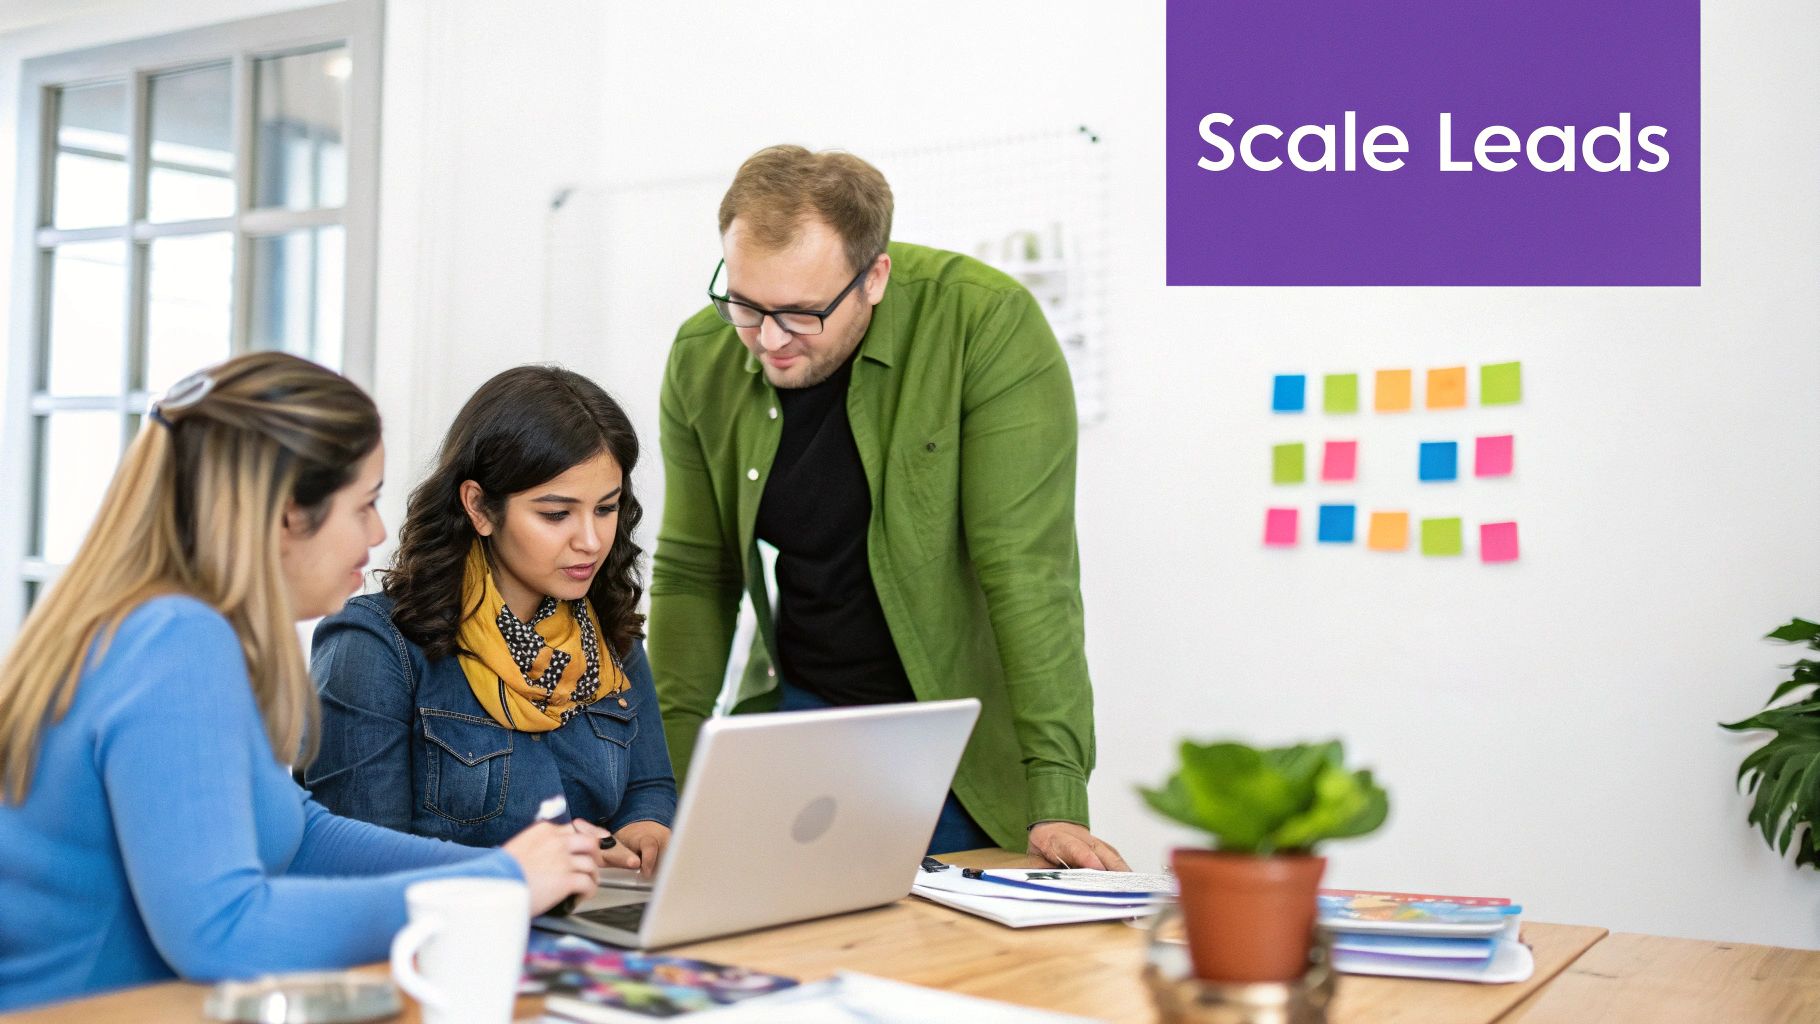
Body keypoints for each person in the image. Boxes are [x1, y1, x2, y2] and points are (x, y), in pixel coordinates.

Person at [0, 353, 599, 1012]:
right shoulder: (178, 642)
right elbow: (222, 931)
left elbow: (298, 835)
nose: (376, 534)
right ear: (289, 514)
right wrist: (502, 880)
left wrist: (494, 870)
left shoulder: (163, 624)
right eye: (365, 504)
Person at [649, 144, 1127, 869]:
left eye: (802, 314)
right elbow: (693, 574)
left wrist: (1057, 796)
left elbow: (1027, 572)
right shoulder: (702, 356)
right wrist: (664, 795)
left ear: (874, 278)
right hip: (801, 716)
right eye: (745, 304)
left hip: (952, 739)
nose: (768, 340)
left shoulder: (983, 325)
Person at [305, 365, 674, 877]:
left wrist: (647, 828)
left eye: (606, 508)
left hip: (593, 925)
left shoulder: (611, 633)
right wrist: (533, 868)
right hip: (447, 938)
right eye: (555, 514)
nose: (590, 540)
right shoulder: (376, 647)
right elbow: (358, 861)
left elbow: (648, 787)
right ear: (479, 507)